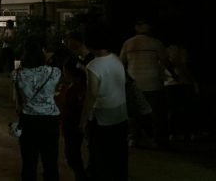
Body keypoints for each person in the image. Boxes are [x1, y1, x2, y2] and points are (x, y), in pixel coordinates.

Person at [81, 23, 128, 181]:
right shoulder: (116, 59)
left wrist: (83, 121)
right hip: (120, 113)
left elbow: (91, 95)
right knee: (118, 155)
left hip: (102, 117)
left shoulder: (93, 65)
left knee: (100, 156)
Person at [12, 36, 61, 181]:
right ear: (42, 52)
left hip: (29, 119)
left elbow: (18, 100)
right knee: (51, 161)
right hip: (50, 119)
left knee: (29, 162)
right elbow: (55, 91)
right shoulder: (55, 72)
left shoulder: (17, 74)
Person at [119, 18, 174, 147]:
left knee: (134, 114)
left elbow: (121, 62)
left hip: (134, 81)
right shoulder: (156, 43)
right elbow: (165, 61)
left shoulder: (128, 43)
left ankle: (134, 138)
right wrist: (173, 74)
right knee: (156, 113)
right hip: (153, 82)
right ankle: (158, 139)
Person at [58, 56, 87, 181]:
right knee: (74, 155)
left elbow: (68, 106)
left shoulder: (74, 89)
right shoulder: (81, 86)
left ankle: (81, 177)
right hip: (77, 125)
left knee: (72, 156)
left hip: (73, 126)